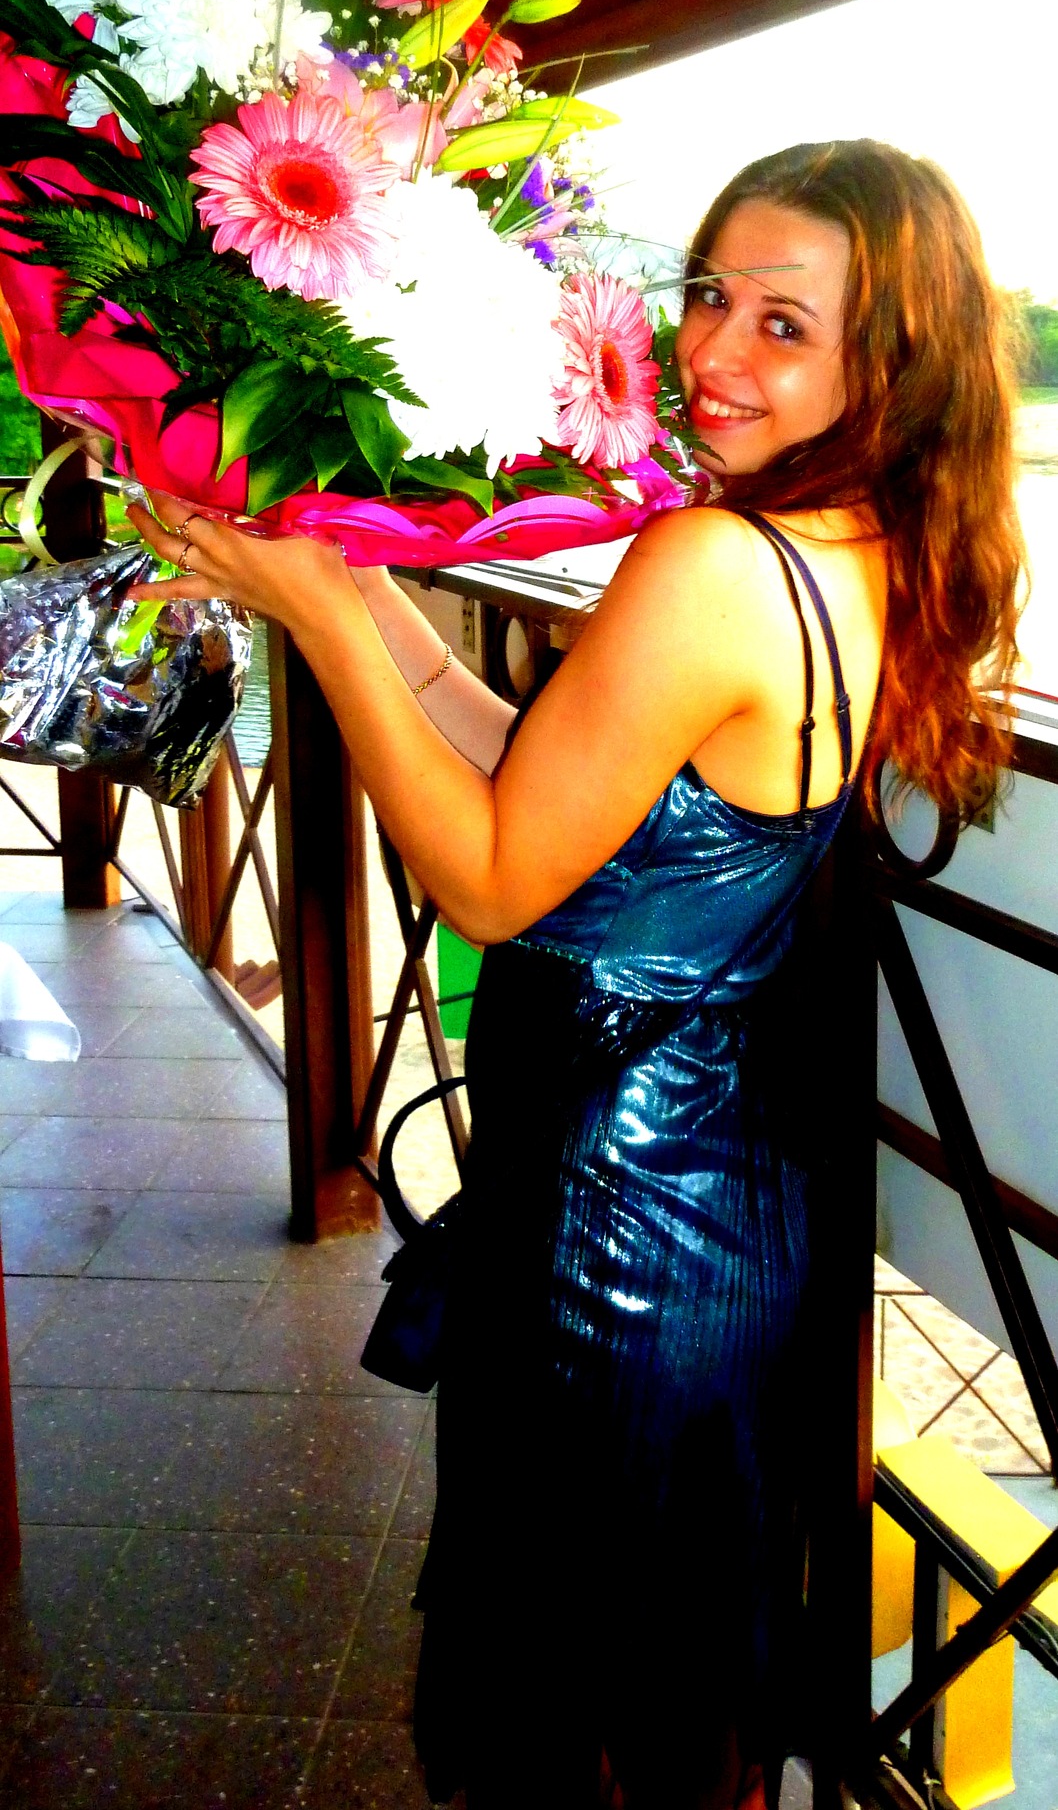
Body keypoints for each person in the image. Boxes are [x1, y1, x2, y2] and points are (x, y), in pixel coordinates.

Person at [128, 139, 1023, 1810]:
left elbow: (484, 880)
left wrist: (311, 624)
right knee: (662, 1678)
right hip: (725, 1197)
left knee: (575, 1694)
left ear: (890, 363)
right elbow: (553, 781)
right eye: (708, 296)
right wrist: (367, 586)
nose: (710, 352)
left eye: (781, 324)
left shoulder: (711, 564)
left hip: (611, 1231)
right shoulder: (855, 548)